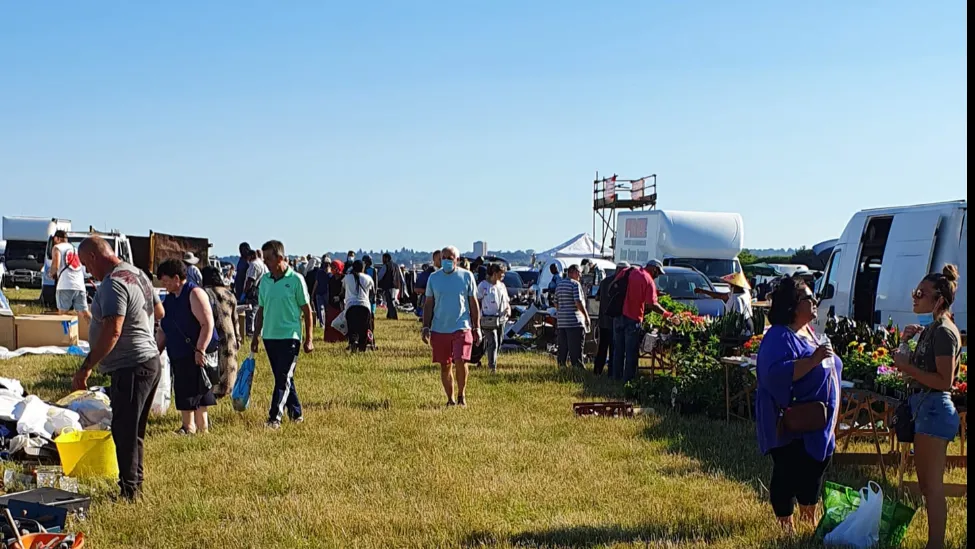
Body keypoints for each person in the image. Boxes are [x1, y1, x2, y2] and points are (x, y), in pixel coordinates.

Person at [72, 236, 164, 501]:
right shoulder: (138, 275)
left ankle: (129, 492)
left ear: (92, 257)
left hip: (131, 365)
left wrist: (86, 367)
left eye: (87, 267)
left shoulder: (113, 283)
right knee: (134, 431)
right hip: (148, 361)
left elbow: (113, 330)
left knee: (124, 431)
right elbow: (159, 312)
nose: (89, 273)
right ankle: (134, 484)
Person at [756, 277, 842, 533]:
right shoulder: (779, 336)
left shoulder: (810, 333)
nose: (815, 302)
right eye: (808, 298)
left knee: (813, 472)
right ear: (793, 305)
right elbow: (772, 374)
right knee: (788, 473)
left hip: (818, 423)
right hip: (793, 422)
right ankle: (786, 527)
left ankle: (809, 519)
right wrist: (814, 361)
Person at [892, 265, 962, 549]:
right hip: (927, 409)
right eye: (914, 292)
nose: (915, 297)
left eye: (921, 293)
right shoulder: (935, 329)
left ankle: (935, 545)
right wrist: (908, 342)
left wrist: (907, 365)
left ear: (939, 299)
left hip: (934, 409)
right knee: (926, 486)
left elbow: (944, 381)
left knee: (932, 488)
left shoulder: (944, 331)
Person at [250, 240, 314, 429]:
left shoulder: (295, 280)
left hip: (290, 336)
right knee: (283, 377)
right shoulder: (266, 281)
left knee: (283, 377)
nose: (266, 262)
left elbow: (307, 310)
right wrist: (256, 336)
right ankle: (296, 413)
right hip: (270, 336)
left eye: (268, 258)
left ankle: (274, 418)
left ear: (280, 257)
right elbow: (261, 311)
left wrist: (309, 339)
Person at [155, 259, 218, 435]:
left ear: (177, 278)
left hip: (195, 353)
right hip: (178, 354)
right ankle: (189, 426)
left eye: (166, 281)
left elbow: (207, 323)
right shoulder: (169, 299)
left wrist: (200, 349)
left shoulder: (195, 293)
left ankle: (200, 428)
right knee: (183, 390)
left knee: (198, 390)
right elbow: (163, 329)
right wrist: (155, 352)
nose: (164, 285)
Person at [421, 246, 481, 407]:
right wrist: (425, 326)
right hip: (439, 328)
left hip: (462, 326)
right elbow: (428, 304)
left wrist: (477, 327)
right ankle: (450, 398)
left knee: (461, 360)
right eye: (444, 257)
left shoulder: (466, 276)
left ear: (457, 260)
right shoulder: (433, 278)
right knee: (445, 365)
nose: (447, 260)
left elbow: (473, 303)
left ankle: (462, 395)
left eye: (450, 257)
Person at [612, 259, 668, 381]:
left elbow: (616, 285)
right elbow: (651, 304)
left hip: (618, 315)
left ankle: (615, 378)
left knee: (618, 350)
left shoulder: (629, 270)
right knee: (631, 352)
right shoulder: (648, 279)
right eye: (658, 273)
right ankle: (628, 381)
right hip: (633, 317)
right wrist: (666, 314)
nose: (657, 276)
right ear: (654, 269)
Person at [201, 266, 241, 399]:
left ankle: (212, 390)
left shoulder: (203, 293)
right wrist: (238, 338)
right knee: (229, 364)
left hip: (211, 333)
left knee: (212, 363)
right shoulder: (229, 294)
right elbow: (235, 319)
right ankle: (226, 389)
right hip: (229, 334)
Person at [694, 271, 755, 336]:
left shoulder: (737, 298)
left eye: (730, 284)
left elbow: (737, 318)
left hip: (743, 327)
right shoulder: (744, 292)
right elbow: (720, 296)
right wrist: (703, 291)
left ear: (734, 285)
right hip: (748, 323)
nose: (729, 285)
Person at [594, 262, 628, 375]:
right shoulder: (622, 282)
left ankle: (597, 371)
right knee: (614, 348)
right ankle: (611, 372)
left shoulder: (604, 282)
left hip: (603, 320)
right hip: (615, 321)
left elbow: (597, 297)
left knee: (602, 348)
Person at [476, 263, 511, 373]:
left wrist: (508, 309)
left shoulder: (502, 286)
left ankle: (492, 359)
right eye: (502, 274)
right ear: (495, 274)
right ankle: (492, 367)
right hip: (488, 319)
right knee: (493, 341)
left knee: (499, 341)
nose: (503, 276)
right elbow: (477, 300)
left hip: (501, 318)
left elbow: (506, 300)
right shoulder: (483, 286)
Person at [555, 265, 591, 369]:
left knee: (563, 347)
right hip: (574, 321)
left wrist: (561, 312)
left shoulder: (559, 285)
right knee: (576, 347)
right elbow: (578, 302)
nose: (580, 275)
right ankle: (577, 367)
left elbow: (556, 302)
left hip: (562, 322)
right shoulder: (575, 284)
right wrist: (586, 316)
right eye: (579, 273)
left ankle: (561, 366)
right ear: (573, 272)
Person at [49, 230, 90, 320]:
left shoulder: (57, 247)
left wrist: (51, 273)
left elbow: (56, 264)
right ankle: (96, 330)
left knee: (62, 314)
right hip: (79, 285)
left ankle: (65, 334)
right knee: (84, 312)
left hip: (65, 284)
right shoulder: (75, 249)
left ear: (57, 238)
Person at [343, 260, 375, 352]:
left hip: (351, 306)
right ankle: (362, 347)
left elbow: (343, 289)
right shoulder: (368, 278)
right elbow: (373, 292)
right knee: (363, 329)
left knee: (352, 328)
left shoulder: (347, 278)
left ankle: (353, 342)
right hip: (364, 306)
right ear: (363, 268)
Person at [242, 249, 269, 336]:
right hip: (260, 290)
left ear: (251, 256)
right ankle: (258, 331)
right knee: (258, 312)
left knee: (250, 312)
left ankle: (250, 332)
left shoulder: (254, 265)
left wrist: (245, 292)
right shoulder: (262, 264)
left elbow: (250, 279)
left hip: (253, 291)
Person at [323, 260, 347, 343]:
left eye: (334, 267)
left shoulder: (344, 278)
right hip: (331, 303)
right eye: (332, 267)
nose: (332, 269)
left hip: (341, 304)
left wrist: (340, 297)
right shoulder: (331, 279)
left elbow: (346, 291)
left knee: (341, 321)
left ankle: (342, 338)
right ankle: (330, 338)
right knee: (330, 321)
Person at [414, 250, 442, 318]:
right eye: (440, 259)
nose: (442, 261)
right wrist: (430, 291)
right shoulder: (426, 274)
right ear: (434, 259)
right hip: (429, 305)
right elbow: (416, 289)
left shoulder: (447, 273)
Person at [378, 253, 406, 320]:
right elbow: (401, 277)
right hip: (397, 287)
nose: (382, 260)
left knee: (391, 302)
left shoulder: (386, 266)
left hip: (389, 286)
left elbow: (379, 276)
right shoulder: (397, 266)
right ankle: (389, 316)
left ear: (387, 258)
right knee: (392, 301)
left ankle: (394, 316)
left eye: (383, 258)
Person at [311, 257, 331, 328]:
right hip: (319, 293)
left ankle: (327, 324)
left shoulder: (330, 274)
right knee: (321, 309)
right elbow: (316, 283)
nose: (326, 266)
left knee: (327, 309)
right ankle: (322, 325)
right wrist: (313, 294)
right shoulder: (319, 272)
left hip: (326, 293)